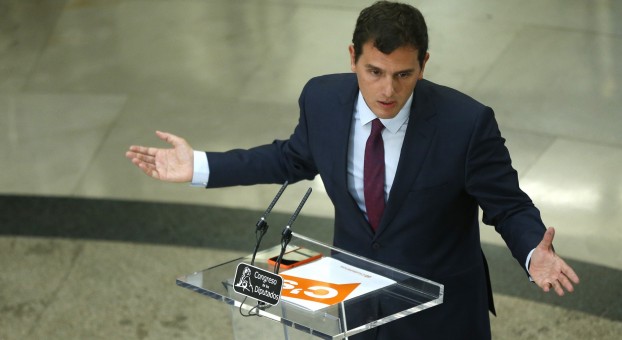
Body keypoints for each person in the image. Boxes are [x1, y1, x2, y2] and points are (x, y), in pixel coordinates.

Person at [126, 1, 579, 339]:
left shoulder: (466, 124)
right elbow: (290, 158)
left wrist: (531, 252)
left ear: (423, 64)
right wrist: (200, 166)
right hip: (354, 308)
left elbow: (508, 205)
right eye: (374, 71)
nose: (387, 90)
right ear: (352, 58)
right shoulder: (323, 101)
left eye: (403, 74)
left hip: (442, 319)